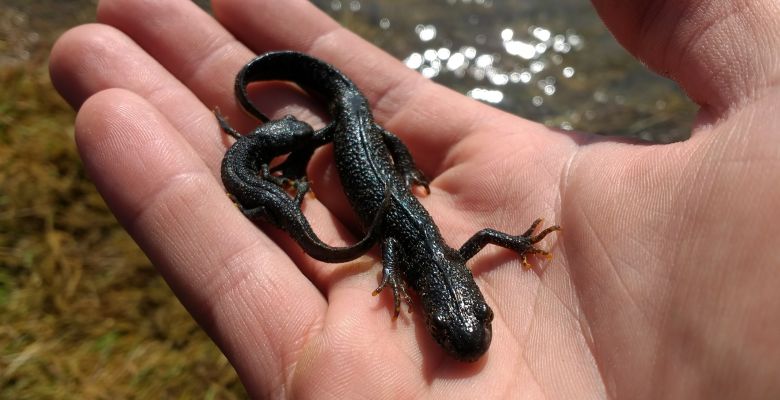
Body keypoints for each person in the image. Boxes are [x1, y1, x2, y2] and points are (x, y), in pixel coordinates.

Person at [49, 0, 780, 397]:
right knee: (347, 133)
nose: (459, 321)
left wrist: (434, 260)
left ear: (453, 293)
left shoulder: (430, 257)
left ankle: (303, 118)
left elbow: (445, 242)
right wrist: (500, 237)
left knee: (365, 157)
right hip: (354, 134)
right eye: (464, 316)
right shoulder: (432, 254)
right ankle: (289, 101)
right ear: (462, 290)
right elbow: (466, 238)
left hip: (363, 142)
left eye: (453, 320)